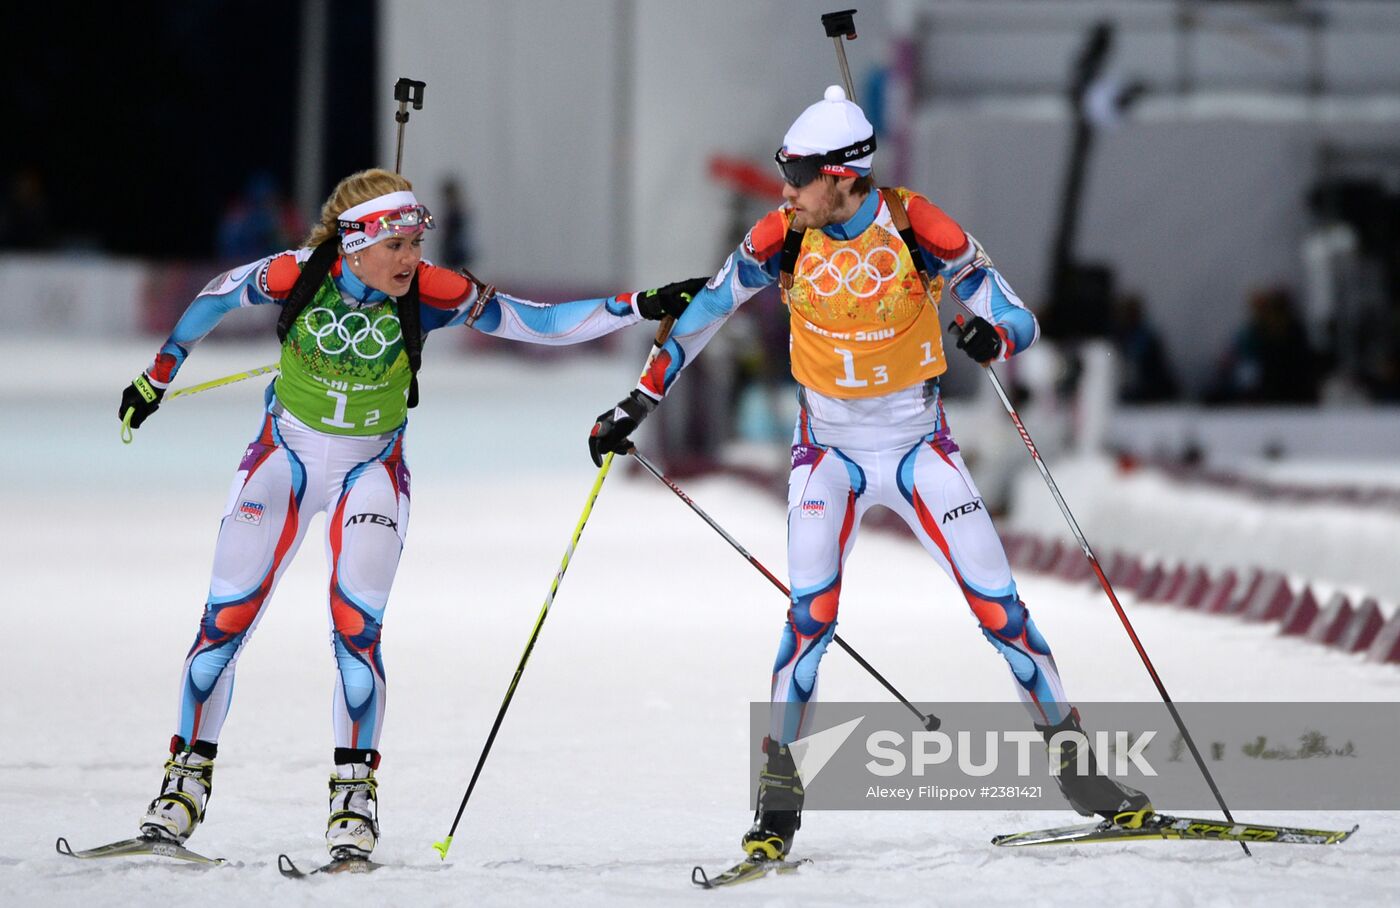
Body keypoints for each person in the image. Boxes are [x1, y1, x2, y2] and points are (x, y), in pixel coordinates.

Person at [587, 87, 1150, 862]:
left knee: (1003, 611)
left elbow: (1015, 312)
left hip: (919, 446)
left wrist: (994, 336)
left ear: (845, 176)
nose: (784, 189)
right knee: (808, 621)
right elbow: (706, 310)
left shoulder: (919, 227)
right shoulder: (782, 234)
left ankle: (1080, 774)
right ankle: (776, 807)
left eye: (798, 174)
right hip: (829, 453)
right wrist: (637, 402)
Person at [118, 167, 702, 862]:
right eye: (396, 245)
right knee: (224, 623)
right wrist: (159, 374)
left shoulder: (431, 290)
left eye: (415, 243)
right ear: (356, 243)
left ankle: (354, 804)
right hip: (284, 459)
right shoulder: (299, 274)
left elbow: (538, 323)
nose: (411, 259)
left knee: (356, 634)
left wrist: (641, 303)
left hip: (372, 468)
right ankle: (181, 792)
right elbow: (213, 296)